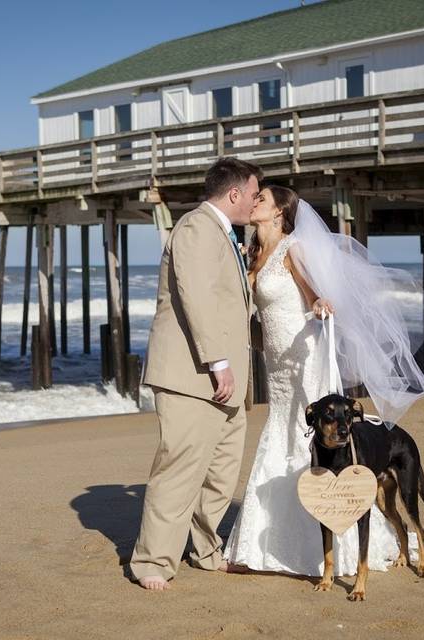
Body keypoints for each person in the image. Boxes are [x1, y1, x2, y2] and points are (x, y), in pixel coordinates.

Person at [223, 185, 424, 576]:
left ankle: (326, 546)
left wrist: (320, 303)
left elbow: (310, 295)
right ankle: (264, 548)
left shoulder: (294, 249)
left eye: (262, 199)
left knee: (303, 440)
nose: (254, 202)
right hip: (275, 364)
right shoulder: (253, 253)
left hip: (304, 357)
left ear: (279, 213)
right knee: (278, 436)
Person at [129, 157, 262, 590]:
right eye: (254, 193)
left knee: (222, 473)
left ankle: (205, 549)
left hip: (226, 380)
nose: (256, 201)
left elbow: (230, 304)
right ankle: (152, 562)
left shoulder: (224, 234)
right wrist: (218, 362)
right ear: (234, 193)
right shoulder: (195, 228)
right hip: (192, 375)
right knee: (179, 468)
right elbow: (196, 297)